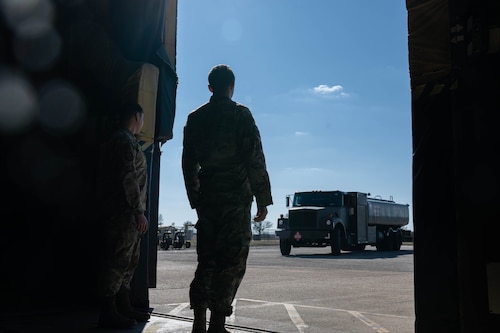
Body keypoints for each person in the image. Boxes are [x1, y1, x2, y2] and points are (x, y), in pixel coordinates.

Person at [182, 64, 273, 333]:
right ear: (232, 87)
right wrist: (263, 198)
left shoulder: (195, 118)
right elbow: (255, 158)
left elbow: (188, 163)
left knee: (207, 259)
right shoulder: (240, 115)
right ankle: (217, 325)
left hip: (209, 198)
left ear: (210, 87)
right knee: (231, 261)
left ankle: (198, 322)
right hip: (235, 199)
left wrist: (196, 198)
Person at [96, 102, 151, 329]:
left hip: (127, 214)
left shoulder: (127, 140)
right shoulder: (123, 140)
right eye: (143, 118)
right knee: (117, 262)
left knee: (128, 262)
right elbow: (128, 177)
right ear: (137, 116)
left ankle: (123, 305)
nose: (143, 123)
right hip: (123, 213)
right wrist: (138, 212)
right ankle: (108, 311)